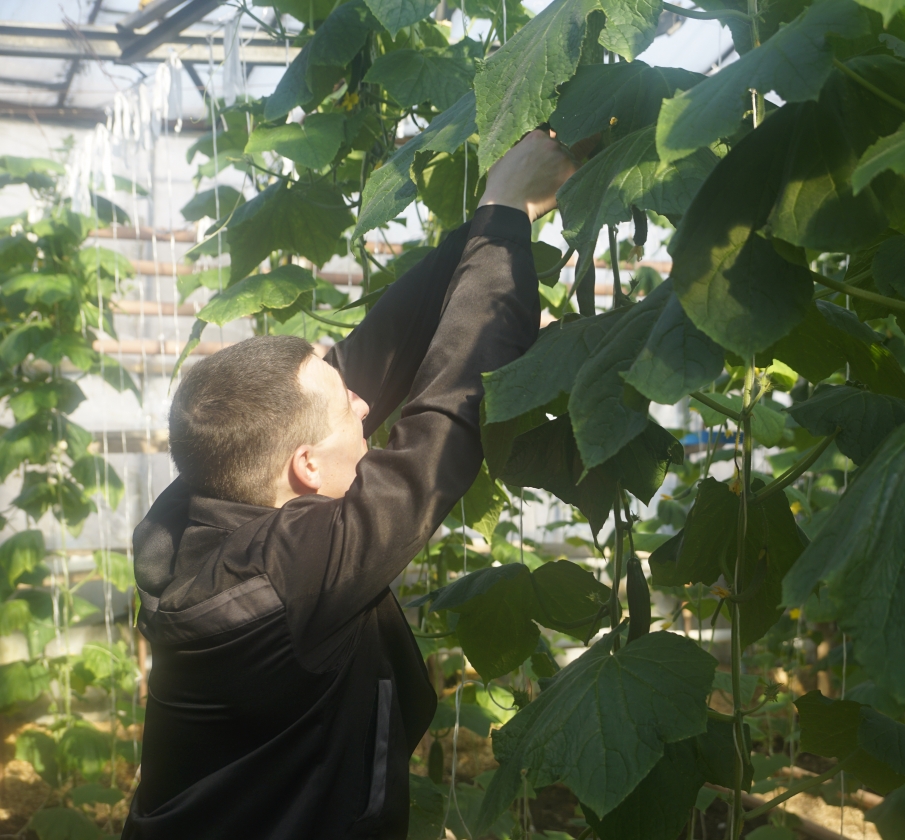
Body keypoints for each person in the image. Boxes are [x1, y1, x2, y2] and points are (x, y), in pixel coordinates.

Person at [121, 130, 576, 839]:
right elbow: (441, 432)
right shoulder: (280, 582)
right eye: (351, 410)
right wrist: (507, 207)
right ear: (304, 467)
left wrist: (486, 229)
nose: (367, 404)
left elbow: (367, 361)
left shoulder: (205, 507)